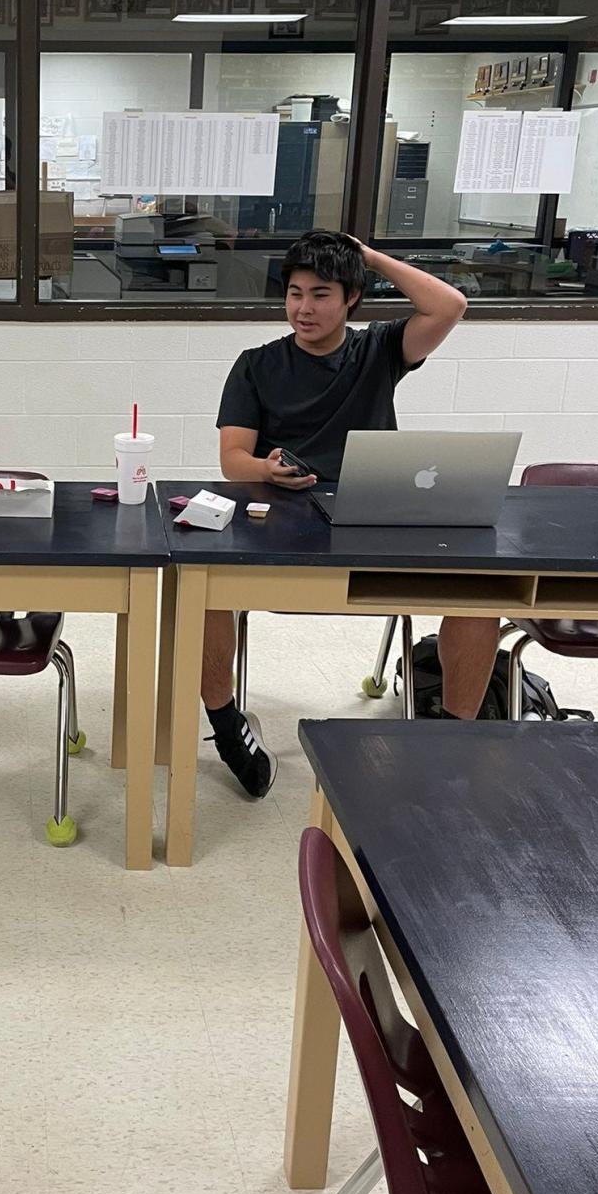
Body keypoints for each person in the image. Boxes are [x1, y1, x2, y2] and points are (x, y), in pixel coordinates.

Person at [203, 230, 500, 797]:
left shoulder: (380, 349)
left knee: (479, 595)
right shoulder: (256, 365)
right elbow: (233, 460)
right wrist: (267, 470)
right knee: (202, 589)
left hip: (372, 517)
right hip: (280, 516)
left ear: (351, 299)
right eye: (294, 294)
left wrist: (365, 256)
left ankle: (450, 741)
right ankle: (224, 722)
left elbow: (451, 305)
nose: (303, 308)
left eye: (320, 294)